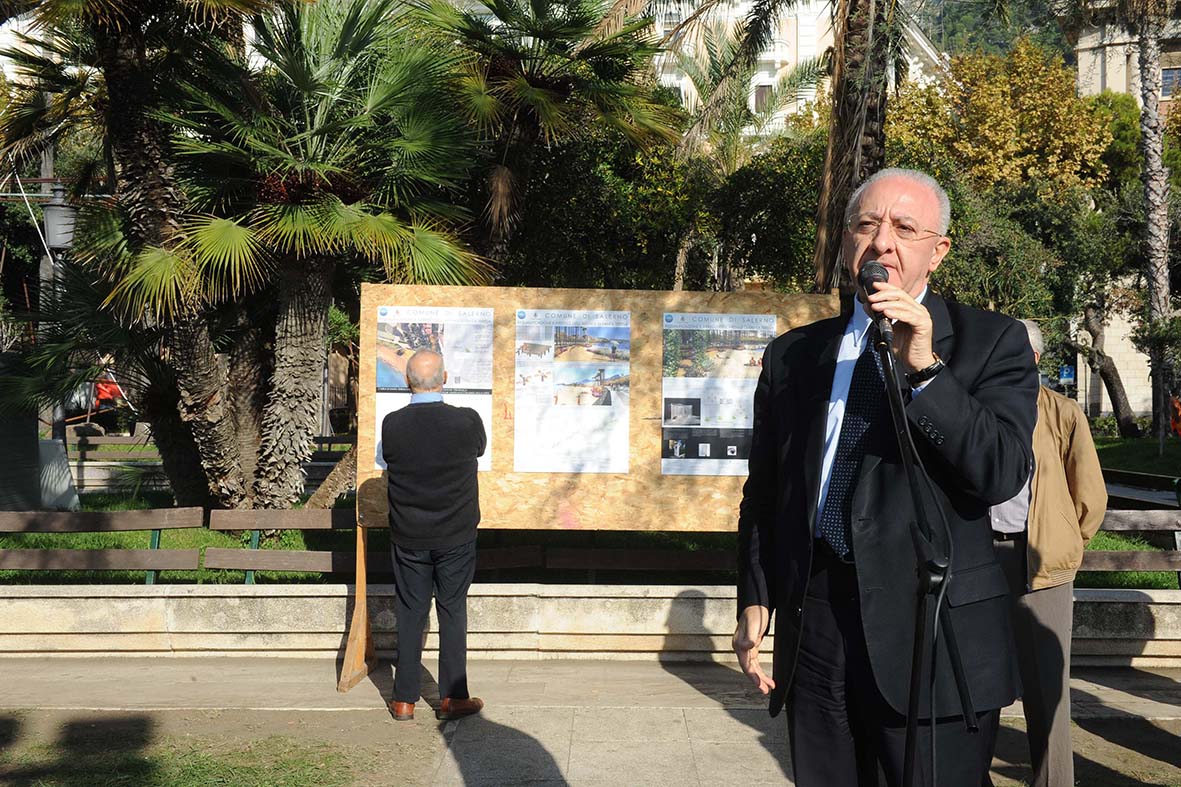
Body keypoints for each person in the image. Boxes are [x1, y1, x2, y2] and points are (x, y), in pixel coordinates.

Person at [733, 168, 1039, 786]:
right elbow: (767, 490)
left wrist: (925, 369)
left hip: (933, 626)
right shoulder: (795, 354)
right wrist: (756, 593)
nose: (882, 243)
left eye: (904, 228)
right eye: (867, 224)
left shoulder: (989, 342)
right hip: (817, 623)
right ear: (846, 240)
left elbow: (1001, 472)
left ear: (938, 250)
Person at [984, 319, 1107, 787]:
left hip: (1041, 562)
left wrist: (1064, 541)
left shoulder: (1062, 411)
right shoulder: (978, 406)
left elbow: (1089, 496)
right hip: (980, 558)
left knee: (1046, 690)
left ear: (1034, 358)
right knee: (978, 680)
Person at [382, 349, 487, 722]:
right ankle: (453, 698)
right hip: (455, 534)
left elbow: (387, 459)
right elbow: (479, 449)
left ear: (407, 381)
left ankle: (404, 700)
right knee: (452, 610)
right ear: (444, 378)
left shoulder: (392, 425)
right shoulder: (467, 421)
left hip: (409, 534)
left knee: (411, 612)